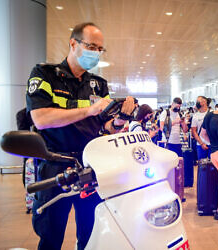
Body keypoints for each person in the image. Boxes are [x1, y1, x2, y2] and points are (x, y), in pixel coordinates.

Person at [26, 22, 136, 250]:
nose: (96, 52)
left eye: (100, 49)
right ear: (73, 43)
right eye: (91, 46)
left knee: (91, 232)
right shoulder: (45, 75)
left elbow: (105, 129)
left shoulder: (98, 84)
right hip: (55, 166)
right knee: (50, 235)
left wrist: (120, 121)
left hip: (91, 167)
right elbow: (41, 118)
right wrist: (89, 110)